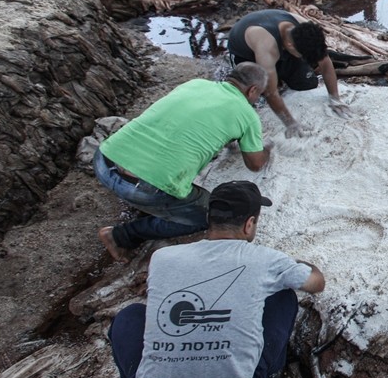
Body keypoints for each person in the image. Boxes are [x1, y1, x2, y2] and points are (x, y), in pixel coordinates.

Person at [108, 181, 325, 378]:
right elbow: (316, 283)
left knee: (129, 316)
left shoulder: (163, 258)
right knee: (283, 297)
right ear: (249, 224)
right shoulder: (266, 260)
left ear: (210, 219)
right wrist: (302, 265)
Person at [94, 62, 271, 263]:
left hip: (104, 159)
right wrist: (268, 150)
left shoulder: (195, 84)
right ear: (253, 90)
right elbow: (255, 164)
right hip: (143, 186)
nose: (257, 100)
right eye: (259, 95)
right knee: (212, 217)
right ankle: (120, 235)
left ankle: (144, 205)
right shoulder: (247, 115)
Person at [226, 9, 348, 137]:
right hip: (248, 55)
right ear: (290, 46)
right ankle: (275, 74)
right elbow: (270, 93)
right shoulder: (266, 46)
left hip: (283, 49)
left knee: (307, 83)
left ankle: (280, 72)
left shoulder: (305, 29)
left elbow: (326, 64)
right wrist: (291, 123)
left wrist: (335, 99)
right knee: (255, 93)